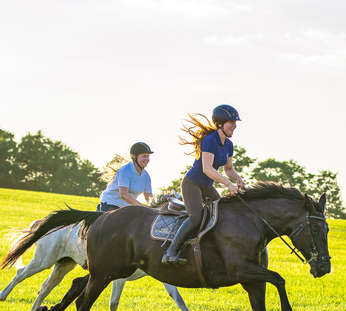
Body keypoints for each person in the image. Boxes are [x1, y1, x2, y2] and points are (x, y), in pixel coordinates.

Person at [162, 105, 245, 264]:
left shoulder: (229, 145)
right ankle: (171, 251)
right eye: (231, 122)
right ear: (220, 123)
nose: (234, 125)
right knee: (196, 217)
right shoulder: (210, 140)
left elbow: (229, 169)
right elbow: (207, 169)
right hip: (192, 184)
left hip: (207, 186)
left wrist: (239, 180)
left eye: (235, 122)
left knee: (221, 214)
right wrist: (228, 185)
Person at [97, 142, 154, 212]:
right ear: (134, 157)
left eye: (148, 156)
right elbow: (124, 195)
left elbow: (149, 197)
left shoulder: (146, 176)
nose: (147, 159)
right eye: (144, 156)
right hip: (110, 204)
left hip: (126, 208)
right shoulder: (125, 171)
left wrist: (157, 207)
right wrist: (142, 207)